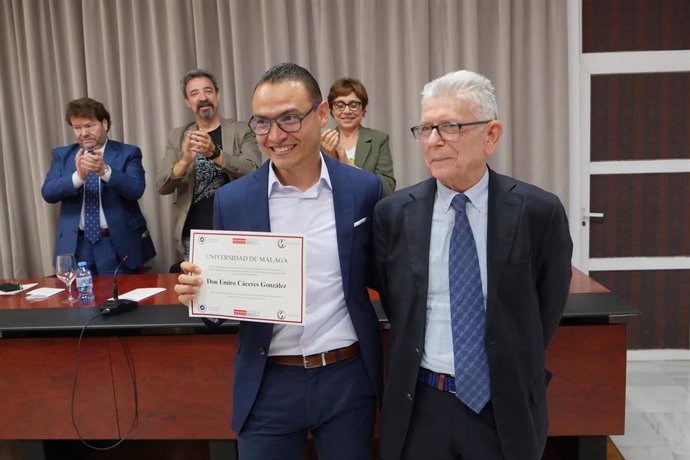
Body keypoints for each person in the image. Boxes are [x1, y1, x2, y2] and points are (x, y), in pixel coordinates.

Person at [175, 63, 382, 460]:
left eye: (289, 118)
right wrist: (198, 293)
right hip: (268, 379)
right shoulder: (233, 200)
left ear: (321, 114)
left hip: (346, 378)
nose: (275, 136)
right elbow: (214, 311)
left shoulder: (363, 190)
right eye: (262, 123)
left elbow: (383, 275)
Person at [373, 70, 573, 460]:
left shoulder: (537, 211)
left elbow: (545, 308)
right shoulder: (393, 214)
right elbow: (397, 302)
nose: (433, 141)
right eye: (426, 128)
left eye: (450, 126)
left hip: (503, 407)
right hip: (421, 405)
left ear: (491, 135)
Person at [42, 97, 156, 275]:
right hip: (77, 245)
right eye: (77, 128)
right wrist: (78, 177)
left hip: (116, 243)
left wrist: (105, 171)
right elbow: (48, 193)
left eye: (89, 126)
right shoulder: (62, 155)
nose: (83, 133)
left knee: (120, 300)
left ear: (105, 124)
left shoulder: (128, 153)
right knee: (81, 301)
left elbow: (136, 189)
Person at [157, 69, 262, 262]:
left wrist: (215, 153)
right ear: (188, 102)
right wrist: (185, 160)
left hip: (236, 231)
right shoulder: (177, 136)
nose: (203, 98)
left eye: (208, 91)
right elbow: (162, 186)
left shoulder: (240, 130)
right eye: (194, 94)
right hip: (194, 236)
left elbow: (254, 172)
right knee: (199, 292)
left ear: (218, 95)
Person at [320, 78, 396, 196]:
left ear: (363, 108)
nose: (347, 111)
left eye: (354, 105)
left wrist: (347, 165)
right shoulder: (322, 142)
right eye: (340, 105)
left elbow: (387, 188)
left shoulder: (378, 139)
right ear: (331, 109)